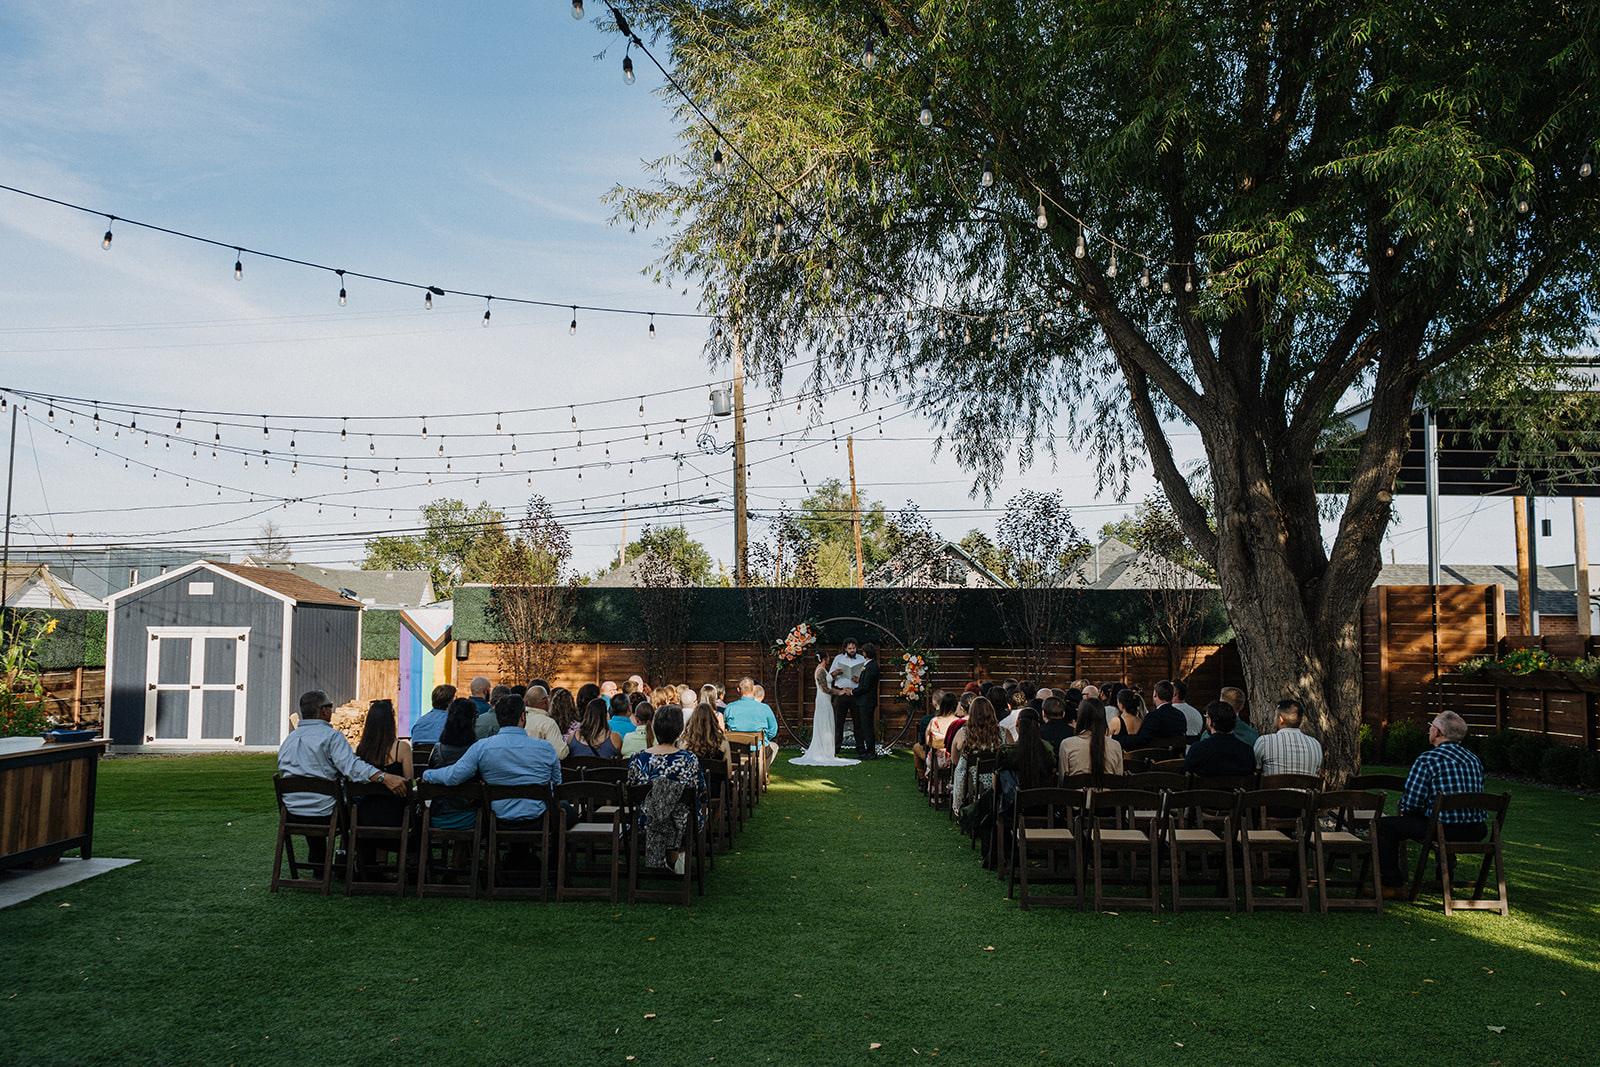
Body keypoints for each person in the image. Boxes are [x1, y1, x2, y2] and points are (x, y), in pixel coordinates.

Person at [277, 690, 407, 871]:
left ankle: (318, 862)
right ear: (323, 710)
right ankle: (357, 864)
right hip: (325, 814)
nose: (332, 709)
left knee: (318, 800)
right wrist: (384, 777)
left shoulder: (288, 741)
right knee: (359, 810)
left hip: (292, 813)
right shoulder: (331, 737)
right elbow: (351, 767)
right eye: (330, 706)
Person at [1378, 711, 1488, 894]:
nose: (1429, 729)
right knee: (1435, 817)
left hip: (1442, 828)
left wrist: (1406, 809)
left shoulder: (1428, 759)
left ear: (1438, 732)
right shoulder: (1474, 760)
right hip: (1476, 829)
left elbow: (1412, 802)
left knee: (1384, 826)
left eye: (1431, 726)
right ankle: (1444, 880)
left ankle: (1392, 884)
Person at [421, 693, 563, 830]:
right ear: (522, 716)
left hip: (498, 820)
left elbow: (454, 776)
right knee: (566, 811)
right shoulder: (546, 749)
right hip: (539, 819)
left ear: (498, 717)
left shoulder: (482, 747)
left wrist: (427, 774)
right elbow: (557, 783)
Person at [627, 706, 706, 874]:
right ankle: (675, 856)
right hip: (681, 825)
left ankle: (668, 857)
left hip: (646, 822)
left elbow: (631, 792)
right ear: (679, 730)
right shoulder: (689, 759)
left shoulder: (637, 759)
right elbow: (701, 792)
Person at [424, 698, 483, 831]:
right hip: (471, 817)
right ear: (473, 720)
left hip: (438, 816)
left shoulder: (437, 750)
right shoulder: (478, 751)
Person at [794, 653, 860, 767]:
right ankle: (823, 750)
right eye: (828, 657)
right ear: (825, 659)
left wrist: (835, 673)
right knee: (824, 723)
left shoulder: (823, 670)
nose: (829, 659)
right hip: (823, 700)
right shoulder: (820, 670)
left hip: (826, 700)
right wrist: (840, 692)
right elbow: (824, 688)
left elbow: (828, 679)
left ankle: (827, 749)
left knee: (828, 723)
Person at [951, 697, 1003, 816]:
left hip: (972, 780)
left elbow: (954, 759)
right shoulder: (1003, 733)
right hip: (997, 779)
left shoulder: (963, 733)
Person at [1184, 701, 1257, 778]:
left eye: (1207, 717)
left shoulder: (1198, 749)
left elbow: (1187, 772)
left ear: (1212, 722)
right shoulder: (1247, 751)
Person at [1058, 697, 1124, 781]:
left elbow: (1062, 780)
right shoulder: (1115, 745)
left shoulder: (1067, 745)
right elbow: (1119, 779)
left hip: (1077, 789)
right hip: (1108, 789)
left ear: (1080, 717)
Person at [1254, 699, 1323, 777]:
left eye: (1275, 716)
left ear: (1281, 719)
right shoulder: (1315, 744)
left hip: (1274, 785)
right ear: (1301, 720)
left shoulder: (1264, 741)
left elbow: (1255, 769)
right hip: (1306, 785)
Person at [723, 676, 780, 771]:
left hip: (736, 749)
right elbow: (773, 730)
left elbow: (724, 727)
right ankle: (761, 772)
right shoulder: (764, 708)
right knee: (774, 746)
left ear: (738, 690)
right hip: (758, 750)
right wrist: (765, 738)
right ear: (753, 689)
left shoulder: (730, 708)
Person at [1126, 679, 1189, 750]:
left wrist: (1121, 739)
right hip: (1176, 755)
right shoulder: (1180, 715)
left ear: (1155, 694)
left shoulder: (1153, 717)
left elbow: (1141, 740)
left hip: (1157, 756)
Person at [519, 686, 572, 759]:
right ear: (545, 701)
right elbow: (561, 753)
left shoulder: (518, 719)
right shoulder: (548, 723)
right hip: (540, 764)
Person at [681, 700, 733, 768]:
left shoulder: (685, 741)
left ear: (693, 719)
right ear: (713, 719)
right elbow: (728, 769)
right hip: (715, 774)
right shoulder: (722, 741)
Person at [853, 643, 881, 758]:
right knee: (865, 726)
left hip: (867, 701)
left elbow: (866, 686)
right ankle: (868, 750)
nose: (862, 652)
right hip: (865, 701)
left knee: (867, 727)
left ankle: (870, 752)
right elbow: (865, 682)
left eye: (863, 651)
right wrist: (859, 680)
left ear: (866, 652)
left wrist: (853, 691)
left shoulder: (871, 666)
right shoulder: (869, 665)